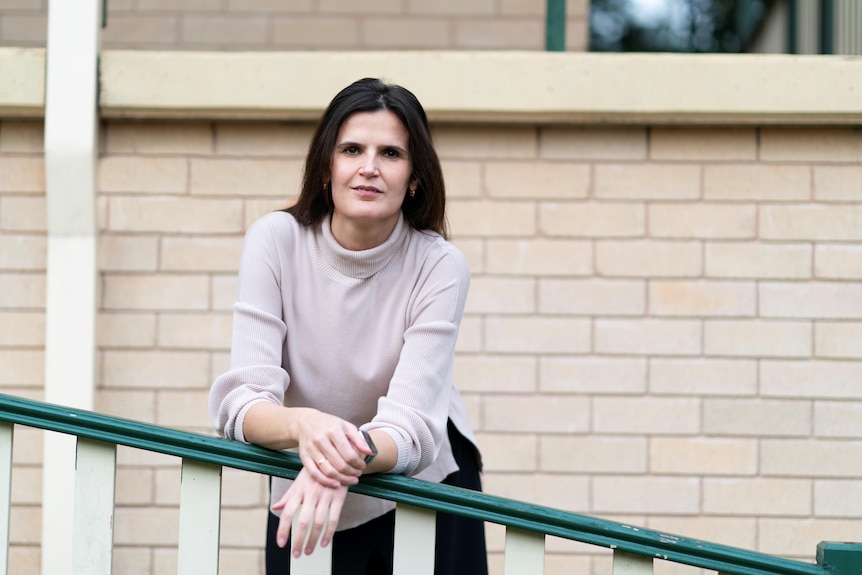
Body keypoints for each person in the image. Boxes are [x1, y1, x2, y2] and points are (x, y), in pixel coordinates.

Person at [209, 77, 488, 575]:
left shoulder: (440, 264)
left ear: (415, 177)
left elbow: (411, 429)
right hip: (308, 487)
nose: (369, 168)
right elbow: (240, 404)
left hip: (424, 483)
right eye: (352, 149)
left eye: (391, 154)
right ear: (326, 167)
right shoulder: (275, 241)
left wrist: (335, 461)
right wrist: (309, 429)